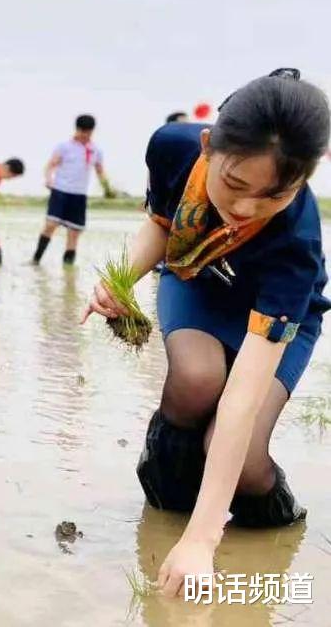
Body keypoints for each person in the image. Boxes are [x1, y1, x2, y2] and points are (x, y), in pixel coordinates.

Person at [83, 68, 329, 597]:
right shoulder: (171, 149)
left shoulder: (296, 248)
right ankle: (168, 500)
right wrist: (121, 279)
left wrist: (203, 540)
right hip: (196, 279)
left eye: (273, 197)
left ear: (305, 179)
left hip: (276, 317)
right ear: (206, 146)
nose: (243, 209)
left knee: (238, 449)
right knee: (195, 380)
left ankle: (276, 527)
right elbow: (161, 222)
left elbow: (241, 397)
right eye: (234, 184)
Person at [32, 115, 110, 265]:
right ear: (77, 129)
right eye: (82, 131)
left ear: (92, 131)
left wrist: (107, 188)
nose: (84, 135)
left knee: (74, 233)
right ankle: (36, 260)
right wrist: (49, 178)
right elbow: (50, 165)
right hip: (61, 191)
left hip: (79, 194)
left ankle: (68, 270)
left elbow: (100, 170)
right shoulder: (64, 146)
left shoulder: (95, 150)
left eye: (88, 132)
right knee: (50, 226)